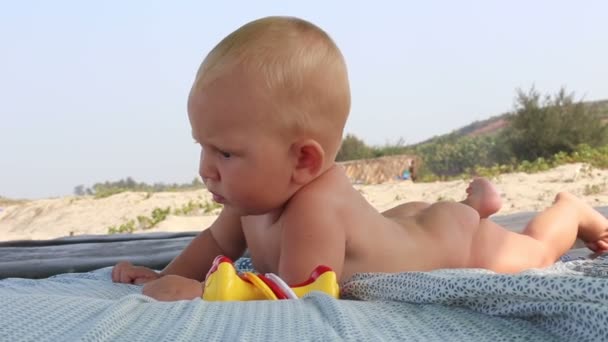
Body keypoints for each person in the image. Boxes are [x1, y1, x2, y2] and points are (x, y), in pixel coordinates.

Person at [111, 16, 608, 301]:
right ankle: (478, 201)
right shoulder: (251, 201)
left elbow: (299, 296)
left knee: (535, 252)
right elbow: (214, 242)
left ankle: (569, 210)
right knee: (406, 223)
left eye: (224, 152)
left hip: (452, 242)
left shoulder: (313, 208)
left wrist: (202, 295)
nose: (205, 168)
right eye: (201, 145)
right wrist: (166, 274)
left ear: (304, 160)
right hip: (402, 225)